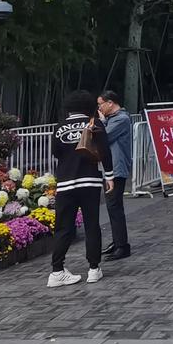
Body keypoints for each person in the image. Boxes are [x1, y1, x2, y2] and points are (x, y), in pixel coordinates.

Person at [48, 90, 110, 288]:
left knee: (63, 228)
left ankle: (57, 271)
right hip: (89, 181)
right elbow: (105, 151)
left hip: (65, 183)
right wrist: (109, 175)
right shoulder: (94, 124)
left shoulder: (59, 128)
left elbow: (56, 152)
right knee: (92, 225)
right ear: (88, 105)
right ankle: (93, 269)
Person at [97, 90, 132, 260]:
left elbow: (105, 137)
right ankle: (118, 241)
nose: (99, 108)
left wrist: (102, 123)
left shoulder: (121, 119)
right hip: (110, 168)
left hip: (117, 169)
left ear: (110, 103)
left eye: (100, 104)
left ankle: (122, 245)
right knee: (113, 206)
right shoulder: (113, 119)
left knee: (114, 206)